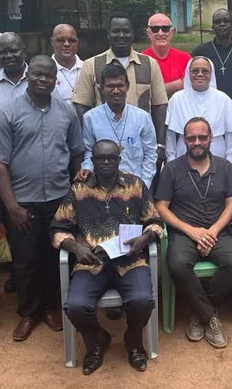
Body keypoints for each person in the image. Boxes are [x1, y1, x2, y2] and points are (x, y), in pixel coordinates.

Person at [0, 55, 85, 342]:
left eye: (49, 76)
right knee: (25, 261)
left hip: (58, 200)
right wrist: (11, 206)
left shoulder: (66, 112)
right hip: (22, 202)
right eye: (38, 74)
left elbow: (76, 153)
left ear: (56, 80)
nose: (43, 79)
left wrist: (75, 196)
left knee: (54, 258)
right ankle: (28, 313)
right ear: (28, 75)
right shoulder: (8, 113)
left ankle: (51, 308)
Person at [52, 139, 163, 375]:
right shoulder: (79, 189)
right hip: (91, 262)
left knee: (143, 300)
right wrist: (75, 248)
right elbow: (57, 228)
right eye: (100, 158)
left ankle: (133, 341)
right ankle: (96, 341)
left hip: (129, 260)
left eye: (111, 158)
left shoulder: (135, 185)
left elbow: (155, 222)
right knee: (76, 306)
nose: (105, 162)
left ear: (119, 160)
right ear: (92, 161)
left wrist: (145, 239)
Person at [155, 117, 232, 349]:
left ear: (211, 138)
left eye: (202, 137)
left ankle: (200, 312)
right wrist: (192, 232)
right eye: (191, 138)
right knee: (177, 264)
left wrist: (212, 231)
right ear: (184, 140)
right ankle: (210, 316)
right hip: (184, 233)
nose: (197, 142)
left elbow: (231, 204)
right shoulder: (172, 169)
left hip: (217, 232)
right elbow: (161, 206)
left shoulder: (224, 167)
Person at [71, 12, 167, 168]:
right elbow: (82, 106)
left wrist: (160, 144)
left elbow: (159, 106)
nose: (121, 35)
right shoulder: (92, 64)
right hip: (104, 151)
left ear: (133, 34)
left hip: (141, 147)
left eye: (126, 31)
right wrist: (88, 146)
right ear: (108, 35)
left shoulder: (150, 64)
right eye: (116, 31)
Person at [192, 8, 232, 197]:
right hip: (208, 116)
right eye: (218, 21)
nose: (222, 25)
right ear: (212, 26)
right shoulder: (201, 52)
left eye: (226, 21)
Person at [77, 64, 157, 189]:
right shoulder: (90, 118)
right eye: (110, 86)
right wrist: (87, 167)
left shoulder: (142, 117)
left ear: (127, 86)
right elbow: (89, 151)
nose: (115, 90)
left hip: (135, 185)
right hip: (103, 186)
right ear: (102, 88)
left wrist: (144, 183)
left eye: (120, 85)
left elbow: (150, 154)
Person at [165, 56, 232, 163]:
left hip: (217, 159)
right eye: (195, 71)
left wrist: (230, 160)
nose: (200, 74)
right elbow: (170, 134)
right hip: (184, 159)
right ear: (188, 73)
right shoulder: (177, 99)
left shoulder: (222, 99)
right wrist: (171, 159)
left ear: (211, 74)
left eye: (205, 71)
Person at [142, 13, 192, 97]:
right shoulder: (141, 59)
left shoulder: (186, 59)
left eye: (165, 29)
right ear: (148, 33)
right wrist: (178, 84)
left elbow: (189, 87)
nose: (161, 33)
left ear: (172, 32)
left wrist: (157, 89)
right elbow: (144, 92)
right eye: (155, 29)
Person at [50, 24, 85, 103]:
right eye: (60, 40)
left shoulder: (88, 68)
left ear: (77, 42)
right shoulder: (45, 71)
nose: (66, 44)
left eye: (72, 40)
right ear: (52, 42)